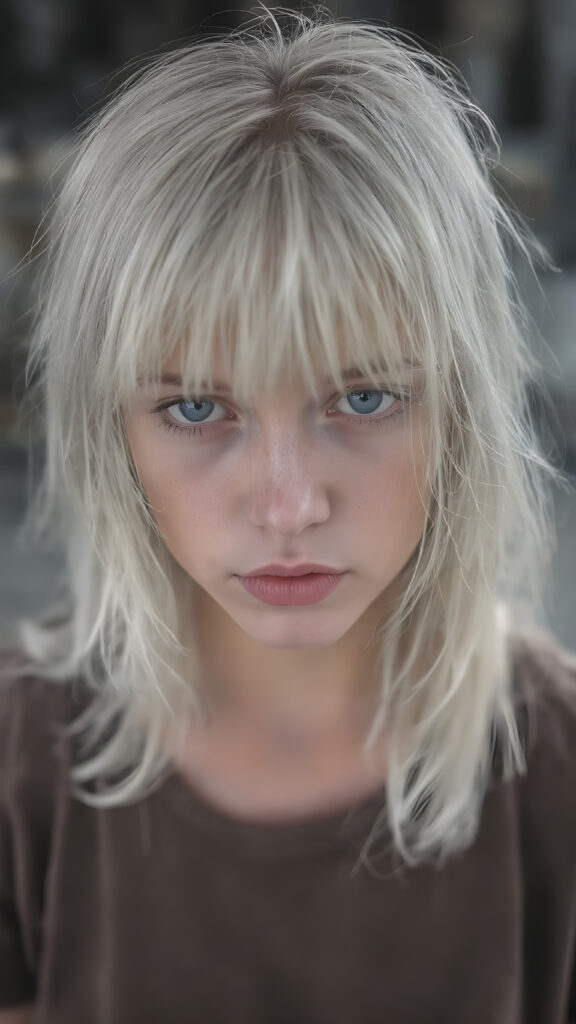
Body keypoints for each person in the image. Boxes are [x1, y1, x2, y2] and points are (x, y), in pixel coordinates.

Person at [1, 8, 576, 1022]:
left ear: (464, 404)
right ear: (110, 428)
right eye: (195, 408)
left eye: (363, 399)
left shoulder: (559, 777)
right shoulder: (17, 764)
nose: (289, 504)